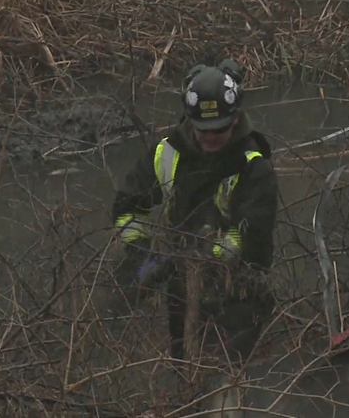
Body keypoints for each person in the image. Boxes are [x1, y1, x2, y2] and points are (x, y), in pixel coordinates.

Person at [110, 59, 279, 363]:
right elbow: (127, 209)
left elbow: (250, 238)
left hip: (237, 294)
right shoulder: (167, 151)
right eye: (203, 130)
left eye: (220, 129)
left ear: (236, 118)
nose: (211, 137)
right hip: (178, 288)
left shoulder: (254, 166)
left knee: (227, 374)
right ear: (189, 119)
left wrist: (199, 260)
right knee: (183, 366)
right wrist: (143, 255)